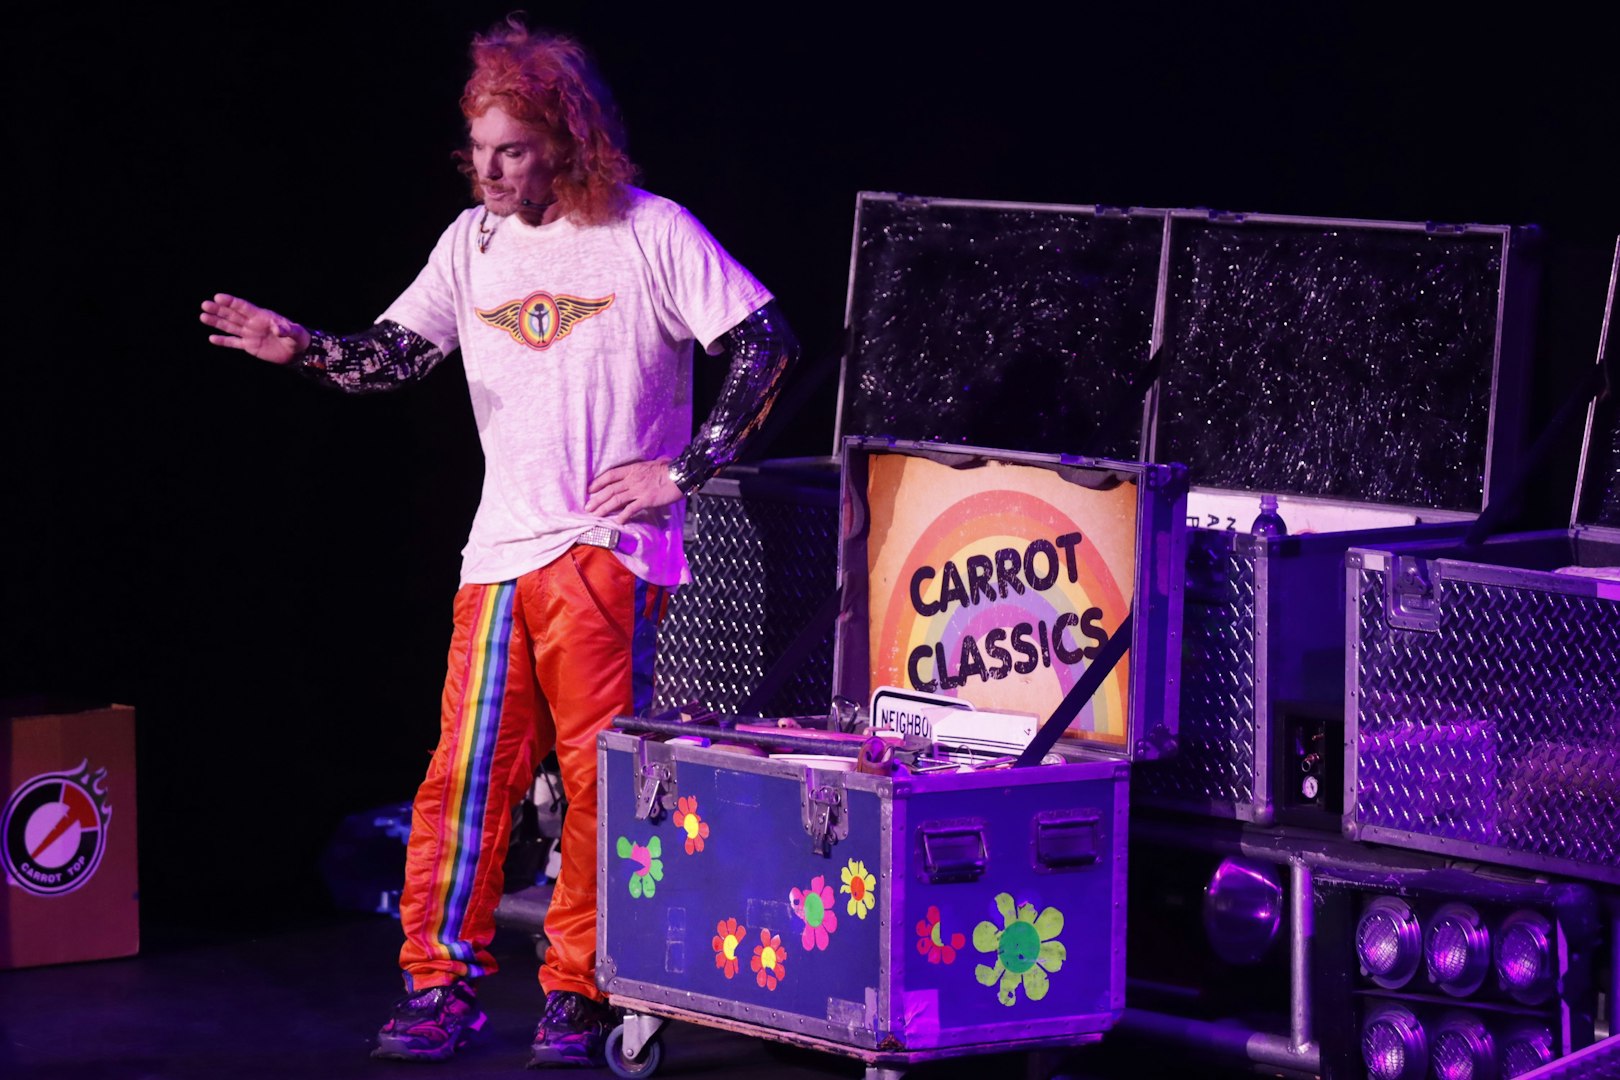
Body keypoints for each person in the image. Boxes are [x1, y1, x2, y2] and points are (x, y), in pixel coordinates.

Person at [199, 15, 795, 1069]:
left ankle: (580, 988)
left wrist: (683, 469)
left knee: (594, 776)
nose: (491, 172)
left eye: (511, 150)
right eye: (478, 151)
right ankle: (440, 981)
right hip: (497, 556)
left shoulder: (650, 232)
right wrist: (301, 350)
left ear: (565, 136)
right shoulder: (470, 243)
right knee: (465, 772)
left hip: (604, 549)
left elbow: (765, 345)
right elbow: (390, 356)